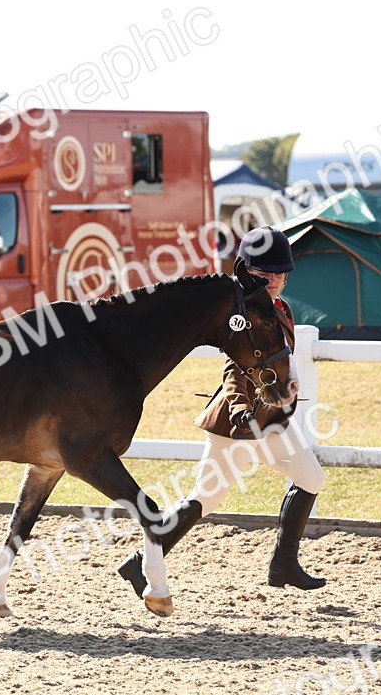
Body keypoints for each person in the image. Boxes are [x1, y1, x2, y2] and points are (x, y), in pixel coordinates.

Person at [117, 225, 328, 596]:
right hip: (239, 423)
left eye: (281, 273)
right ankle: (141, 561)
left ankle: (284, 565)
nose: (275, 280)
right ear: (247, 272)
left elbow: (280, 358)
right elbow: (235, 368)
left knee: (311, 478)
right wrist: (241, 408)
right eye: (265, 274)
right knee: (206, 498)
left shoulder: (282, 308)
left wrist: (289, 386)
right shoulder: (241, 314)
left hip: (273, 420)